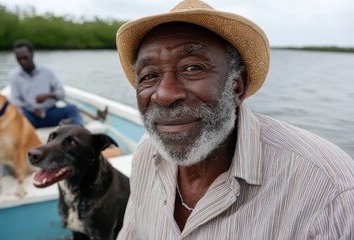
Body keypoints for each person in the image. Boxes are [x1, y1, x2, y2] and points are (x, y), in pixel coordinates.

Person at [115, 0, 354, 239]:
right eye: (149, 76)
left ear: (236, 86)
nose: (165, 94)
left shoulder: (328, 191)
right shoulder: (147, 154)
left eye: (193, 68)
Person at [9, 40, 83, 128]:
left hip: (50, 113)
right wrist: (33, 110)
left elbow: (61, 93)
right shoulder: (14, 76)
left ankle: (76, 132)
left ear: (32, 54)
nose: (22, 61)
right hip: (30, 116)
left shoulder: (47, 71)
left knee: (72, 109)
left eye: (25, 58)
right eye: (19, 59)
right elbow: (15, 101)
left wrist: (48, 95)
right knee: (17, 115)